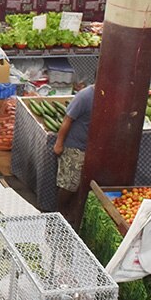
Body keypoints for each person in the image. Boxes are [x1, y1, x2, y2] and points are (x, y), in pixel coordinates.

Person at [53, 84, 94, 226]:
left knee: (81, 183)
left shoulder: (108, 96)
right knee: (70, 183)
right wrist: (59, 143)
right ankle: (60, 211)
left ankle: (72, 211)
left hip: (92, 147)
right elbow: (67, 119)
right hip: (75, 146)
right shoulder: (84, 96)